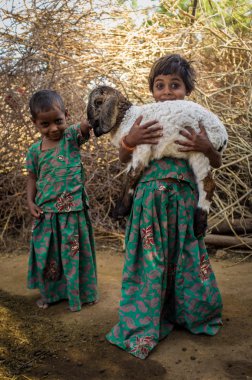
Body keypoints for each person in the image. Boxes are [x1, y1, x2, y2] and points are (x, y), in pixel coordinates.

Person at [106, 54, 223, 359]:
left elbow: (215, 162)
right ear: (152, 90)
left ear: (187, 90)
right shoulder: (144, 119)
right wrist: (130, 140)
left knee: (185, 257)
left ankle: (189, 313)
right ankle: (145, 319)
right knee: (151, 260)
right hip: (148, 205)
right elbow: (125, 159)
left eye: (175, 85)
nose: (167, 91)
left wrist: (205, 147)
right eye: (160, 85)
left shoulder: (193, 118)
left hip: (184, 206)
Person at [26, 89, 98, 311]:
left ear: (66, 115)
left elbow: (86, 127)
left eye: (58, 121)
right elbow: (32, 178)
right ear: (35, 123)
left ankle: (83, 294)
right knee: (49, 256)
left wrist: (92, 119)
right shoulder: (34, 152)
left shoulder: (71, 138)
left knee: (77, 255)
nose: (54, 128)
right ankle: (51, 294)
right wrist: (30, 202)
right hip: (47, 215)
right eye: (45, 124)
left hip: (74, 213)